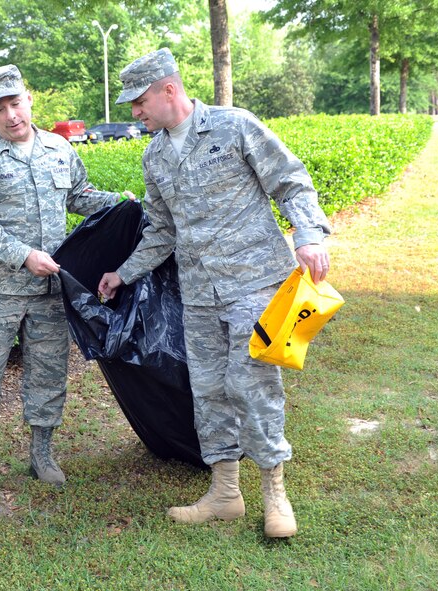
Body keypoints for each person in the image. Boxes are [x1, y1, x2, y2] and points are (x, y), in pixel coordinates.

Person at [97, 48, 332, 538]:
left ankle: (275, 494)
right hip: (200, 294)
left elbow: (290, 181)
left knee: (254, 388)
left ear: (168, 89)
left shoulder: (234, 126)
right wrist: (124, 272)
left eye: (139, 102)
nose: (134, 113)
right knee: (208, 391)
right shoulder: (155, 154)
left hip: (256, 284)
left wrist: (308, 234)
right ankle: (226, 494)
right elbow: (160, 231)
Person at [0, 64, 132, 506]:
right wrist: (24, 255)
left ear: (29, 100)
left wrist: (119, 202)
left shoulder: (59, 149)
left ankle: (42, 453)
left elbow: (80, 195)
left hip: (49, 294)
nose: (10, 115)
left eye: (16, 103)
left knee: (48, 373)